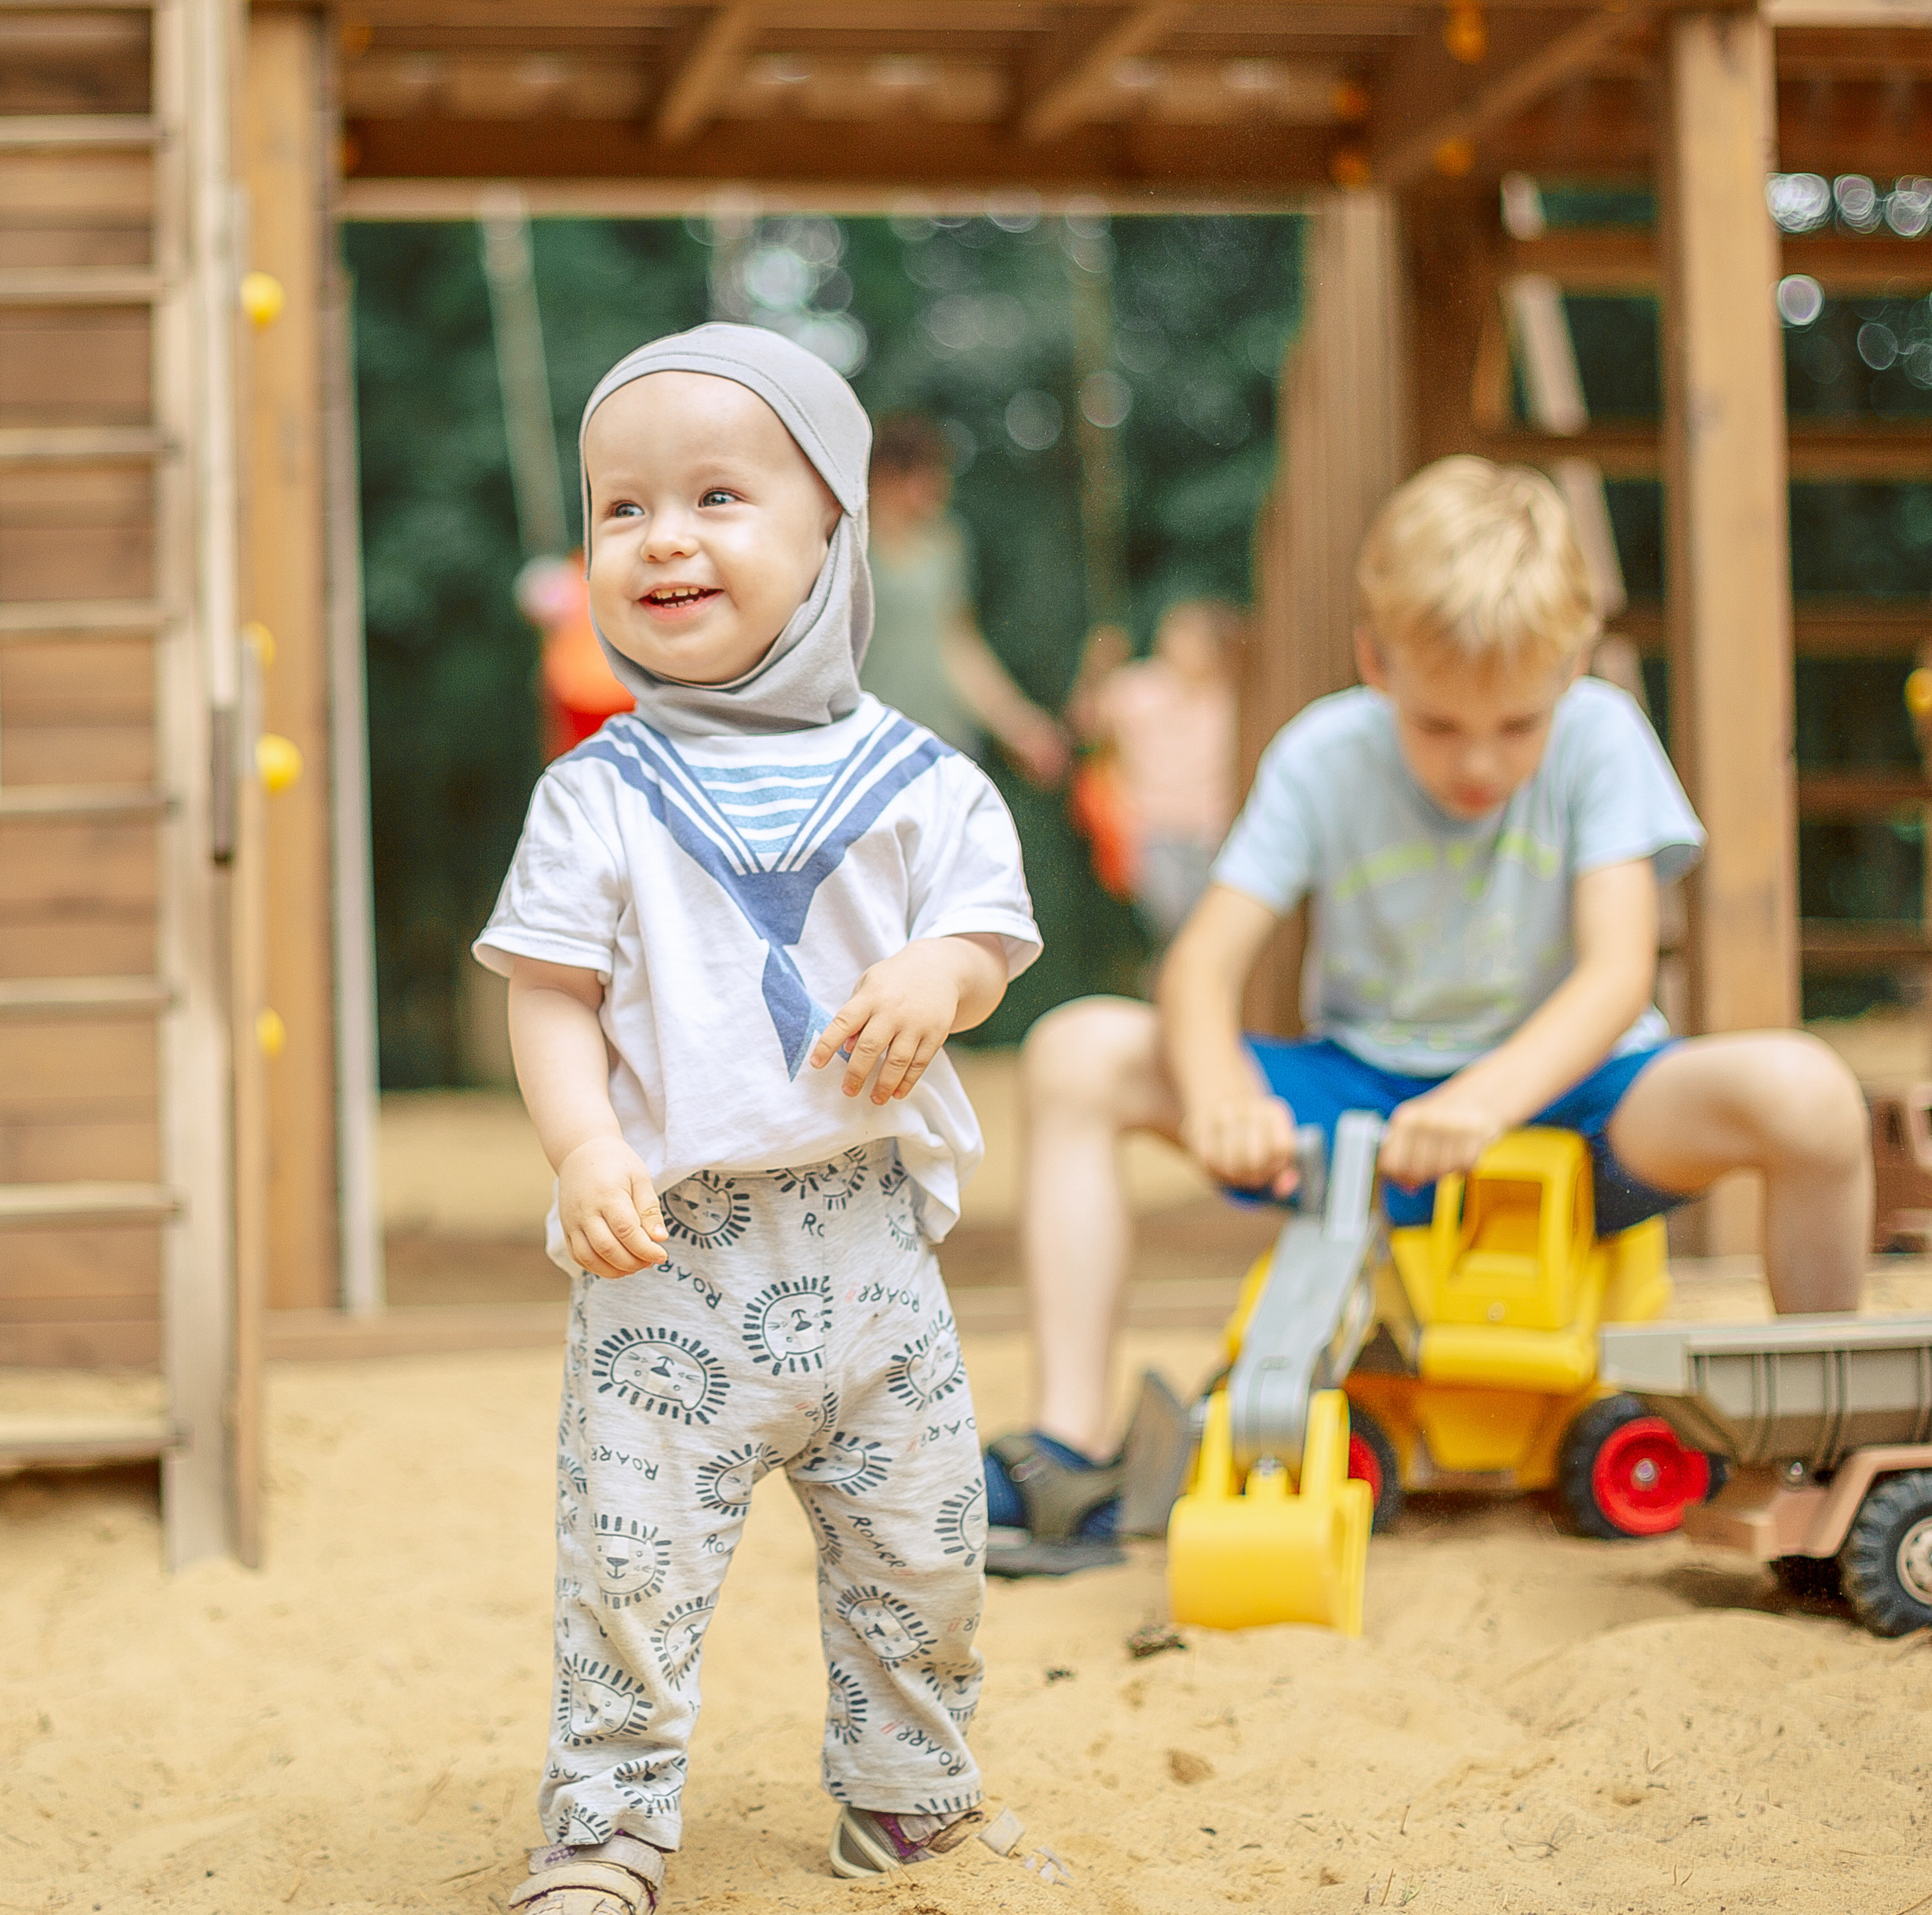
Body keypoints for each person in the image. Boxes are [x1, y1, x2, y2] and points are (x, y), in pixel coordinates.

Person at [984, 454, 1874, 1547]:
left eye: (1519, 725)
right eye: (1441, 725)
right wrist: (1218, 1091)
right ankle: (1070, 1451)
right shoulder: (1323, 754)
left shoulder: (1600, 735)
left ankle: (1820, 1442)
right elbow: (1202, 962)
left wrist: (1486, 1099)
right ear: (1377, 660)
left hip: (1580, 1104)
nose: (1480, 765)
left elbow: (1615, 975)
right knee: (1076, 1051)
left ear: (1572, 667)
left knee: (1807, 1093)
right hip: (1366, 1115)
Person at [474, 325, 1044, 1914]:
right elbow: (550, 994)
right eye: (623, 507)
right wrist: (584, 1145)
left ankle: (905, 1793)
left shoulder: (921, 778)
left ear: (834, 530)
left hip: (871, 1244)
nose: (663, 536)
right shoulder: (596, 791)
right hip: (671, 1256)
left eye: (717, 496)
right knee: (630, 1563)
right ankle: (606, 1825)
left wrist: (936, 972)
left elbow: (986, 938)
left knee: (923, 1547)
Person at [862, 413, 1069, 787]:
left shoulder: (944, 544)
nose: (943, 487)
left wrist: (1021, 727)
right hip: (870, 746)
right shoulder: (851, 544)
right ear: (890, 475)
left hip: (944, 742)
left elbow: (960, 647)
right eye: (931, 473)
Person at [1074, 599, 1243, 947]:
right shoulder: (1138, 688)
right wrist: (1097, 669)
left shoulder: (1226, 695)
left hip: (1212, 830)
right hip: (1157, 829)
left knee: (1206, 927)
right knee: (1172, 925)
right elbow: (1086, 724)